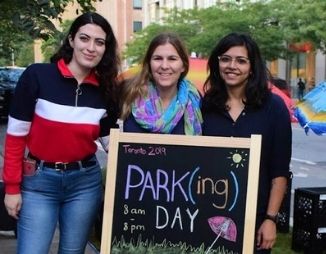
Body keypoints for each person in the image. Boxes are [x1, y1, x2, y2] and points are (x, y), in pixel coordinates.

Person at [2, 12, 120, 253]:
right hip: (39, 182)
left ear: (105, 49)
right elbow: (15, 138)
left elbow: (111, 141)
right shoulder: (37, 76)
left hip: (85, 183)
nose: (91, 48)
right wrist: (12, 188)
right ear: (71, 40)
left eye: (99, 42)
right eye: (84, 39)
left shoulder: (107, 89)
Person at [201, 32, 292, 253]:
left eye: (241, 60)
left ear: (252, 67)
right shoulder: (204, 107)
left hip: (256, 220)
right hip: (207, 217)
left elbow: (279, 171)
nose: (232, 66)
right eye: (225, 59)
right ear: (217, 63)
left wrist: (271, 219)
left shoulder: (274, 107)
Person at [119, 32, 202, 135]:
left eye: (172, 59)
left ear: (183, 66)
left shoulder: (194, 97)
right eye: (158, 58)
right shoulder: (128, 91)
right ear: (149, 63)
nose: (164, 66)